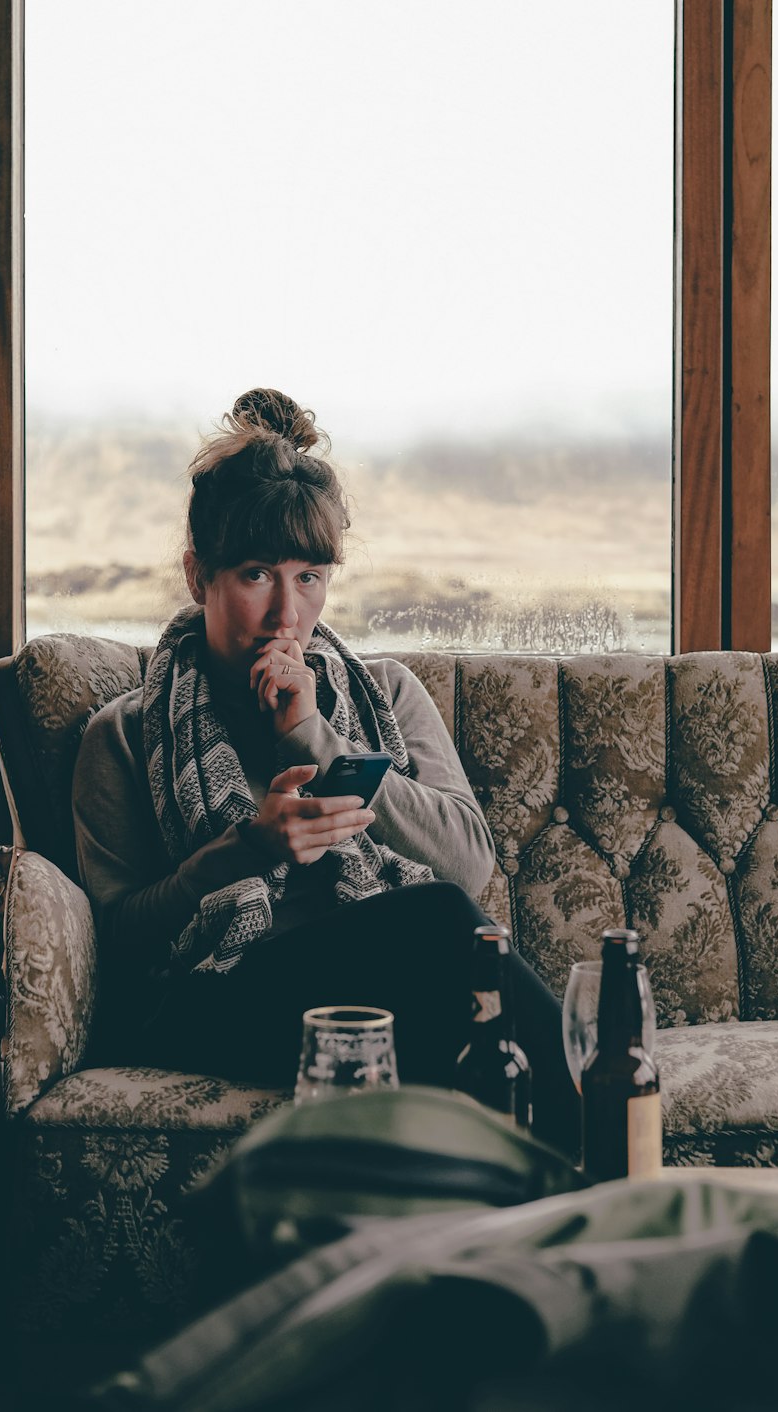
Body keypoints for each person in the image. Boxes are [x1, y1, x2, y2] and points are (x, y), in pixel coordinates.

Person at [73, 388, 578, 1155]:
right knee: (445, 929)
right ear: (196, 575)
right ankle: (613, 1164)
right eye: (255, 575)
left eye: (310, 577)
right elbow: (118, 940)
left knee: (463, 1022)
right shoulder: (125, 735)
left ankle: (522, 1218)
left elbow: (470, 860)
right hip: (212, 1001)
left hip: (371, 993)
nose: (287, 614)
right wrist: (248, 849)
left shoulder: (386, 697)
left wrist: (315, 736)